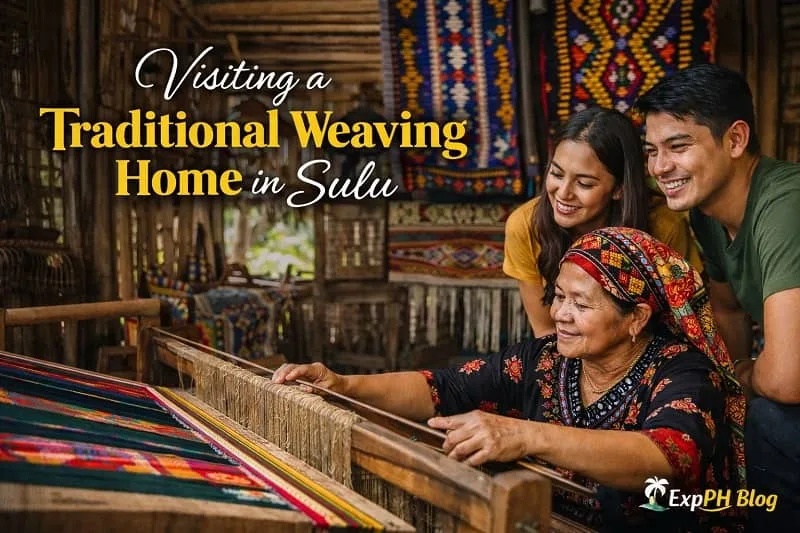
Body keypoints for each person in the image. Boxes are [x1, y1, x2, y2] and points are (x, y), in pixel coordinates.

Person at [274, 228, 746, 532]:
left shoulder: (682, 370)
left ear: (636, 318)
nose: (560, 314)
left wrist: (523, 436)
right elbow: (445, 388)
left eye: (581, 305)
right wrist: (342, 385)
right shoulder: (545, 361)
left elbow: (670, 455)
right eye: (559, 297)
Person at [637, 63, 800, 530]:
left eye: (678, 146)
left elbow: (788, 377)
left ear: (734, 140)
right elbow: (727, 311)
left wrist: (745, 377)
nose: (660, 167)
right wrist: (729, 387)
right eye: (651, 151)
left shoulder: (785, 205)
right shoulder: (706, 213)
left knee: (770, 420)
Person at [503, 107, 702, 336]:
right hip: (564, 355)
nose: (563, 193)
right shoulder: (526, 226)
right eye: (557, 174)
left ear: (619, 189)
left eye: (584, 183)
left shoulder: (663, 226)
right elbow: (547, 331)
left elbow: (686, 323)